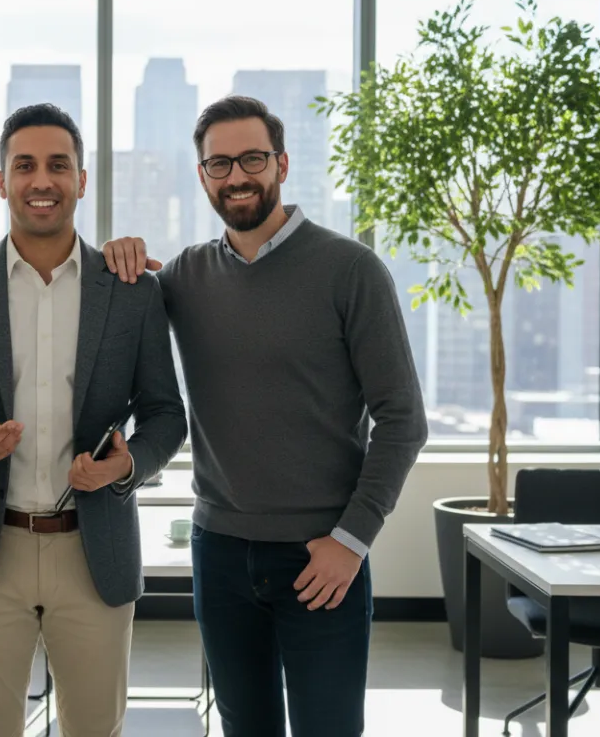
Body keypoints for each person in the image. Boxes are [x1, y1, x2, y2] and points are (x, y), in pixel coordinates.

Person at [103, 95, 429, 737]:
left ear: (280, 162)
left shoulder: (350, 270)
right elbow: (120, 331)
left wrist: (351, 541)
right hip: (218, 552)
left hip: (322, 555)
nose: (237, 176)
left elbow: (403, 419)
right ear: (202, 176)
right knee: (242, 727)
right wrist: (119, 254)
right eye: (218, 163)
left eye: (252, 158)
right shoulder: (185, 277)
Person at [0, 103, 187, 737]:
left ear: (82, 180)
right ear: (0, 180)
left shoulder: (132, 291)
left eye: (58, 165)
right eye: (24, 165)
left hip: (95, 549)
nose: (41, 180)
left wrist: (129, 464)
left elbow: (167, 414)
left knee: (96, 728)